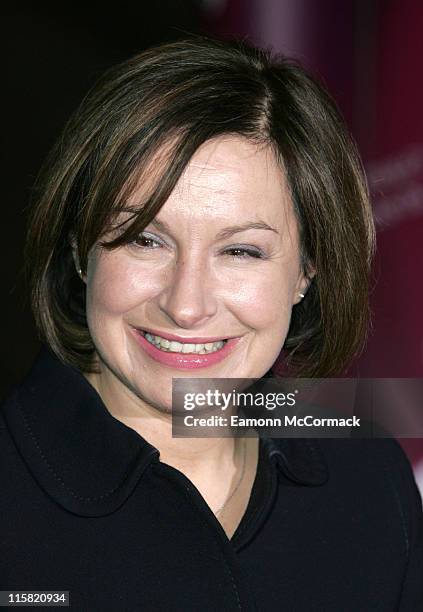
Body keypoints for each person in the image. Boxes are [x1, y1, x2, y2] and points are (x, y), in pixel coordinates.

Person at [1, 36, 422, 611]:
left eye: (241, 252)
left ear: (306, 271)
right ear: (81, 248)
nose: (187, 305)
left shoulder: (369, 478)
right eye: (144, 239)